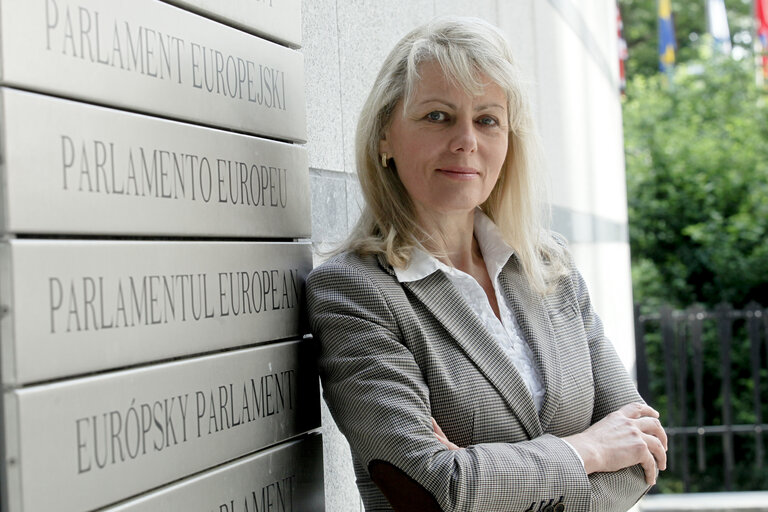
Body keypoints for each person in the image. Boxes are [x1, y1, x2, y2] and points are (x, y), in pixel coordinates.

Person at [306, 17, 667, 512]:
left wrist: (484, 477)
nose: (466, 141)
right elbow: (432, 488)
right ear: (384, 135)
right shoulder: (354, 292)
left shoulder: (549, 266)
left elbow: (642, 449)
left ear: (509, 140)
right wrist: (587, 449)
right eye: (437, 116)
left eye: (488, 119)